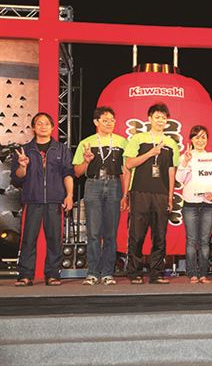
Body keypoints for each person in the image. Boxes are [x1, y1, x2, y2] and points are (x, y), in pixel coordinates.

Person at [11, 112, 74, 286]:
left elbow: (68, 173)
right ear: (33, 127)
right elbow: (17, 178)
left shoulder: (61, 149)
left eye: (46, 123)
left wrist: (69, 195)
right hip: (33, 200)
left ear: (52, 127)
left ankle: (52, 274)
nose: (43, 126)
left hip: (55, 200)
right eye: (39, 123)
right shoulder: (25, 150)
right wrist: (23, 166)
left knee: (54, 240)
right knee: (28, 239)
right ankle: (25, 275)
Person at [73, 107, 129, 286]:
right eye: (105, 120)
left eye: (112, 120)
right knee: (94, 232)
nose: (109, 123)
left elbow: (125, 170)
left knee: (111, 233)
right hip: (93, 184)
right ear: (96, 122)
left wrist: (125, 194)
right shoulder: (86, 143)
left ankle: (107, 273)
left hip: (114, 185)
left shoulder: (122, 141)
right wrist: (86, 160)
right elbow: (77, 172)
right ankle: (92, 272)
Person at [124, 103, 180, 284]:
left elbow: (171, 171)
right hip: (140, 192)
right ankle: (134, 272)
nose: (160, 120)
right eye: (157, 117)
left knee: (160, 236)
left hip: (161, 195)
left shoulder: (171, 143)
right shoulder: (138, 139)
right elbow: (129, 164)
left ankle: (157, 273)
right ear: (149, 119)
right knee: (137, 234)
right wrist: (150, 153)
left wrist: (170, 197)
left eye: (163, 117)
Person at [176, 125, 212, 284]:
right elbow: (179, 180)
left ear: (207, 140)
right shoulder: (185, 157)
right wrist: (185, 162)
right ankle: (191, 274)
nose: (200, 140)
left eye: (203, 137)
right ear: (191, 140)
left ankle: (203, 273)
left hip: (208, 204)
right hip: (190, 204)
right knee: (191, 240)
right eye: (197, 137)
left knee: (204, 241)